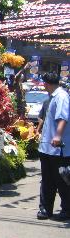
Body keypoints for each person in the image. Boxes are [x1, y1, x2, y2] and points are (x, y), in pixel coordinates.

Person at [37, 72, 70, 221]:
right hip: (47, 148)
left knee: (62, 180)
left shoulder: (62, 96)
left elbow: (63, 118)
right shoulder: (52, 97)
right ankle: (45, 209)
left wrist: (57, 136)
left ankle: (67, 210)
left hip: (59, 149)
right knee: (47, 181)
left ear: (45, 84)